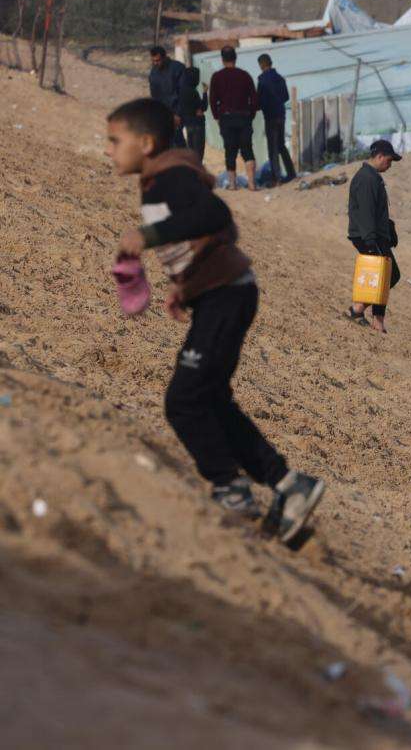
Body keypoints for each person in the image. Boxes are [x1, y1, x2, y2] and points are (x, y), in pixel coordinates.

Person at [105, 97, 324, 541]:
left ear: (145, 143)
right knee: (211, 400)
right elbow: (201, 236)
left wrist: (145, 236)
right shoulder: (157, 179)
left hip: (228, 297)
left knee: (183, 401)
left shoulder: (170, 178)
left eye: (114, 141)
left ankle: (230, 486)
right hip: (219, 295)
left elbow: (214, 215)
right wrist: (183, 287)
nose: (108, 150)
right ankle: (288, 485)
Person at [346, 140, 401, 333]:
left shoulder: (372, 177)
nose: (390, 164)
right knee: (387, 275)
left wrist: (388, 230)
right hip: (368, 236)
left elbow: (376, 212)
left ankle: (369, 314)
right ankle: (363, 312)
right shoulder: (366, 178)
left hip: (375, 235)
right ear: (378, 156)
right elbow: (366, 212)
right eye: (388, 160)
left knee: (389, 275)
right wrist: (370, 240)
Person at [209, 46, 259, 191]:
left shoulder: (217, 77)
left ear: (222, 59)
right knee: (247, 150)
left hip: (227, 118)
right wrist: (250, 115)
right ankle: (252, 184)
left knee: (230, 151)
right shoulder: (245, 75)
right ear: (235, 58)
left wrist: (217, 117)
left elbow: (213, 100)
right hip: (244, 117)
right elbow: (254, 99)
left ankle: (232, 185)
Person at [256, 54, 295, 186]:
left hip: (270, 117)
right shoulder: (279, 78)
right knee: (281, 145)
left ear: (261, 65)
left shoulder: (262, 80)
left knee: (272, 148)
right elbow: (286, 97)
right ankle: (291, 173)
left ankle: (276, 178)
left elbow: (259, 101)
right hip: (280, 114)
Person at [148, 46, 187, 147]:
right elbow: (154, 95)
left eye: (158, 60)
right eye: (153, 61)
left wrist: (178, 114)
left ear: (164, 57)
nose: (156, 63)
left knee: (177, 142)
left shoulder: (178, 68)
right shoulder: (154, 72)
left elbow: (183, 93)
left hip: (177, 112)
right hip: (163, 113)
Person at [178, 66, 206, 163]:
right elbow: (203, 107)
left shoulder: (181, 91)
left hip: (188, 123)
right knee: (199, 152)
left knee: (192, 150)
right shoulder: (193, 92)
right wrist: (205, 93)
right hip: (197, 124)